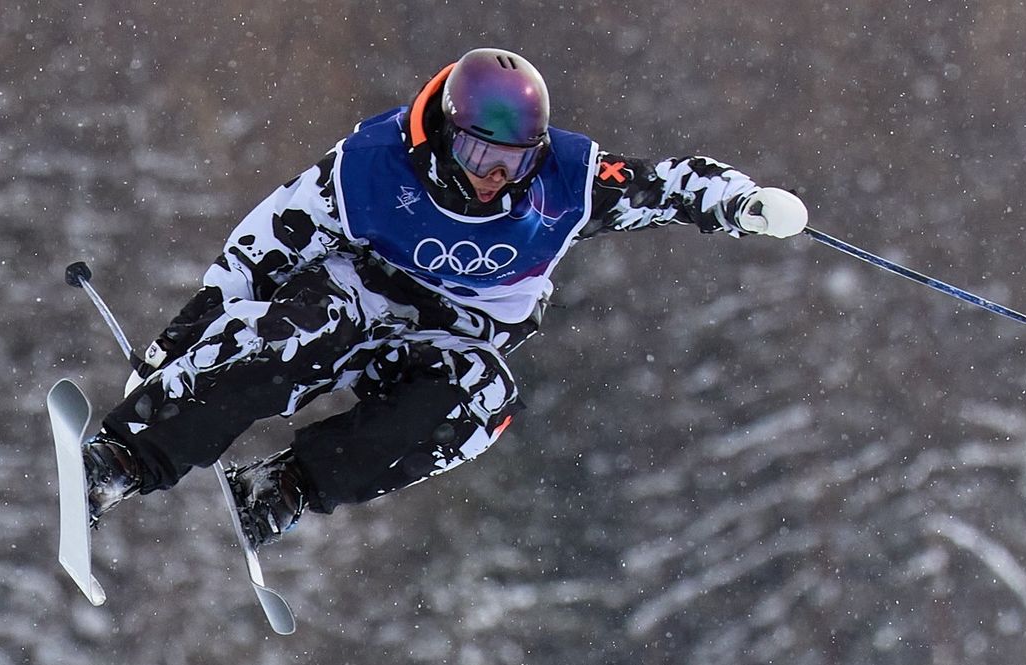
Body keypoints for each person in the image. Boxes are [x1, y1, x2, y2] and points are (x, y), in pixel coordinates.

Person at [80, 47, 808, 547]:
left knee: (484, 400)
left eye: (512, 161)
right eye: (477, 156)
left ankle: (287, 487)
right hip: (357, 302)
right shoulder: (370, 165)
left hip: (442, 341)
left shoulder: (568, 183)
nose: (492, 177)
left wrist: (739, 203)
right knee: (312, 319)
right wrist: (174, 350)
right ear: (443, 136)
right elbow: (257, 251)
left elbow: (669, 185)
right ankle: (127, 457)